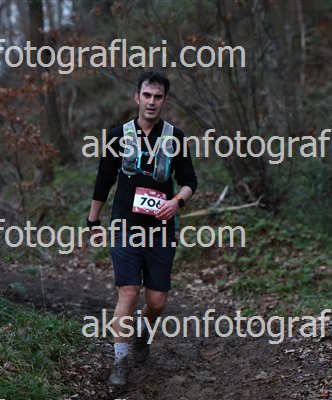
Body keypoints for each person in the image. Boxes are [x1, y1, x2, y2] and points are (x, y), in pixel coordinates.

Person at [88, 71, 197, 386]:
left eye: (157, 97)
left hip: (161, 230)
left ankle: (142, 335)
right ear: (137, 97)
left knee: (157, 301)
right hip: (125, 225)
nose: (151, 102)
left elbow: (190, 181)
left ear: (165, 101)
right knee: (128, 291)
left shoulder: (175, 138)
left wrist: (176, 201)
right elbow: (104, 180)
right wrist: (93, 220)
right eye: (146, 95)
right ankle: (120, 363)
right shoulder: (117, 136)